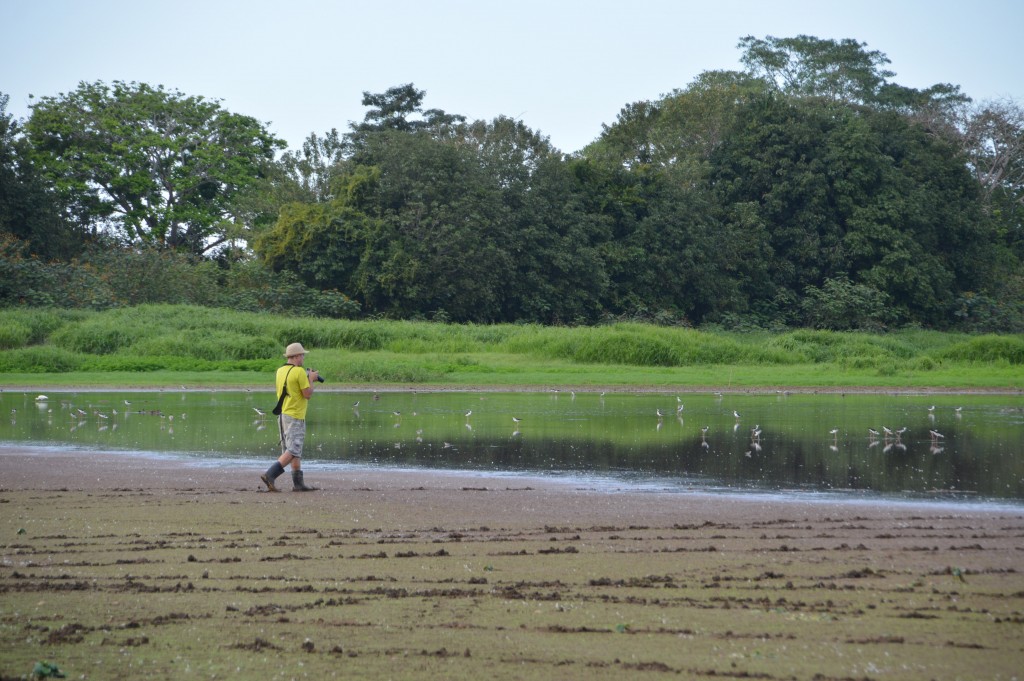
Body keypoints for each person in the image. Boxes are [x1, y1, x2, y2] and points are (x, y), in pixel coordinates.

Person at [260, 342, 319, 492]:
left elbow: (291, 385)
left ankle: (298, 484)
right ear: (297, 356)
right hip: (295, 415)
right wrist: (311, 379)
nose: (303, 358)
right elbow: (307, 394)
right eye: (302, 355)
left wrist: (306, 378)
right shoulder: (299, 372)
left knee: (292, 449)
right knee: (293, 449)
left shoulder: (280, 370)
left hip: (283, 415)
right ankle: (270, 475)